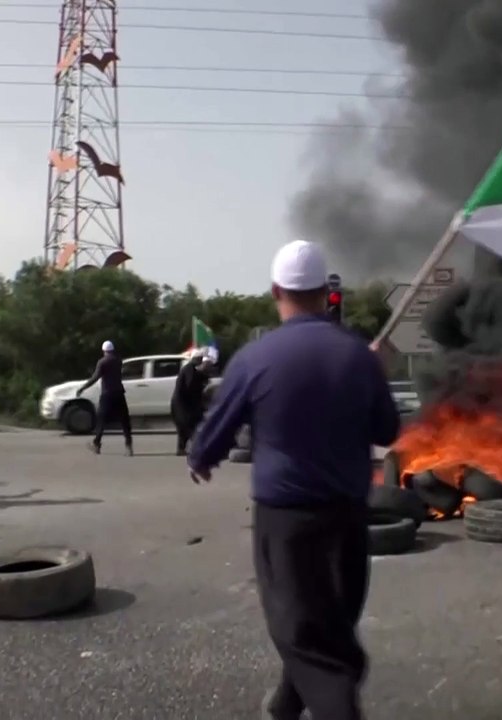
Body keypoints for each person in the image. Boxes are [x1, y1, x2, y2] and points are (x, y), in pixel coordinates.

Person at [187, 239, 400, 720]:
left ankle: (333, 705)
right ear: (327, 293)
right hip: (348, 514)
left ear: (275, 291)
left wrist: (201, 458)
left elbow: (213, 434)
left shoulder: (255, 357)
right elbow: (388, 431)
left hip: (286, 519)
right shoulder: (358, 356)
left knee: (302, 627)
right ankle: (287, 702)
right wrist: (376, 373)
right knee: (331, 616)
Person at [78, 340, 133, 456]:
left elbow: (95, 377)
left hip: (107, 394)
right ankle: (129, 447)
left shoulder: (102, 362)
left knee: (101, 419)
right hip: (119, 393)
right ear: (112, 349)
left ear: (104, 351)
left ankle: (97, 444)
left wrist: (82, 388)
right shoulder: (118, 361)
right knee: (124, 420)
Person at [171, 347, 215, 456]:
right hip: (182, 405)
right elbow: (190, 386)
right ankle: (198, 447)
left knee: (186, 426)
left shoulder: (192, 370)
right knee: (189, 426)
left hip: (185, 404)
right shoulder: (189, 369)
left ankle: (182, 448)